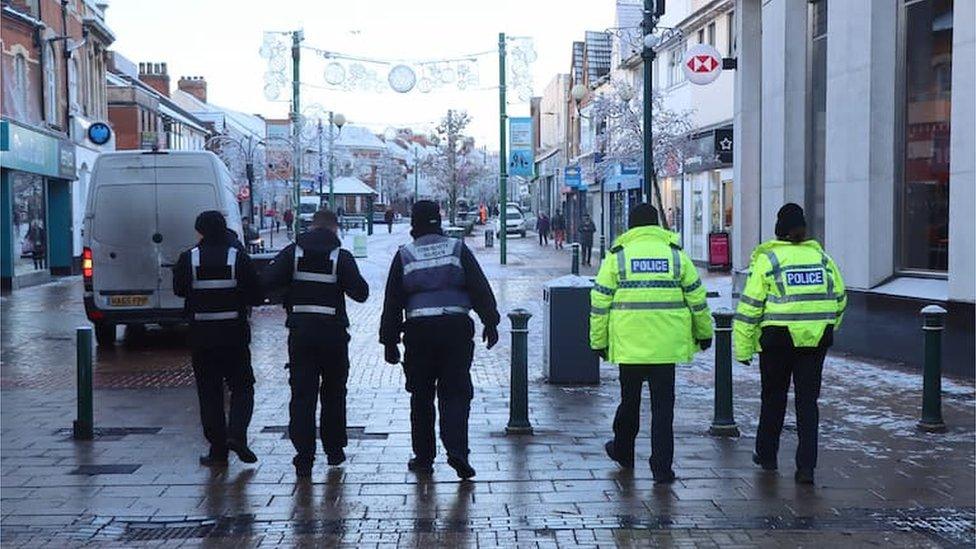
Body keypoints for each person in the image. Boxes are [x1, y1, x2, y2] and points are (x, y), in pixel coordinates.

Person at [590, 203, 712, 484]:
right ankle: (662, 468)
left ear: (631, 226)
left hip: (629, 347)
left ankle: (623, 450)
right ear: (657, 224)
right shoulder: (676, 255)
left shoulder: (618, 257)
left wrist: (598, 342)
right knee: (663, 408)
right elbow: (697, 298)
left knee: (629, 403)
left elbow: (599, 302)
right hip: (665, 347)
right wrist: (704, 333)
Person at [380, 200, 500, 480]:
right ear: (439, 220)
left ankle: (424, 457)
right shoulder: (456, 249)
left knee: (421, 395)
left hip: (419, 332)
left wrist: (389, 341)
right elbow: (479, 286)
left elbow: (393, 300)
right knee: (456, 392)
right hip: (455, 329)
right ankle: (457, 450)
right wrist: (490, 322)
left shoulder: (405, 254)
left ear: (414, 224)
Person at [734, 203, 846, 485]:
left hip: (777, 340)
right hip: (815, 342)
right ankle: (806, 468)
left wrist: (743, 348)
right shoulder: (821, 259)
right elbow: (840, 298)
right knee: (808, 403)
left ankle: (767, 455)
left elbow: (750, 307)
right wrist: (825, 326)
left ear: (779, 230)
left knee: (773, 398)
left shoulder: (769, 260)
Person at [262, 209, 369, 478]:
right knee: (334, 392)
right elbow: (361, 293)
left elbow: (266, 283)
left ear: (311, 227)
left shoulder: (292, 254)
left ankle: (304, 456)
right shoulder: (340, 257)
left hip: (301, 335)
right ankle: (334, 449)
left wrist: (288, 293)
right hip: (333, 335)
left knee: (302, 395)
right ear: (334, 229)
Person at [173, 211, 263, 467]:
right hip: (234, 335)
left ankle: (217, 449)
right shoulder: (238, 258)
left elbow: (179, 289)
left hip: (202, 336)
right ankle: (237, 434)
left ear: (200, 231)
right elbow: (256, 294)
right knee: (243, 387)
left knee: (209, 392)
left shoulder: (189, 258)